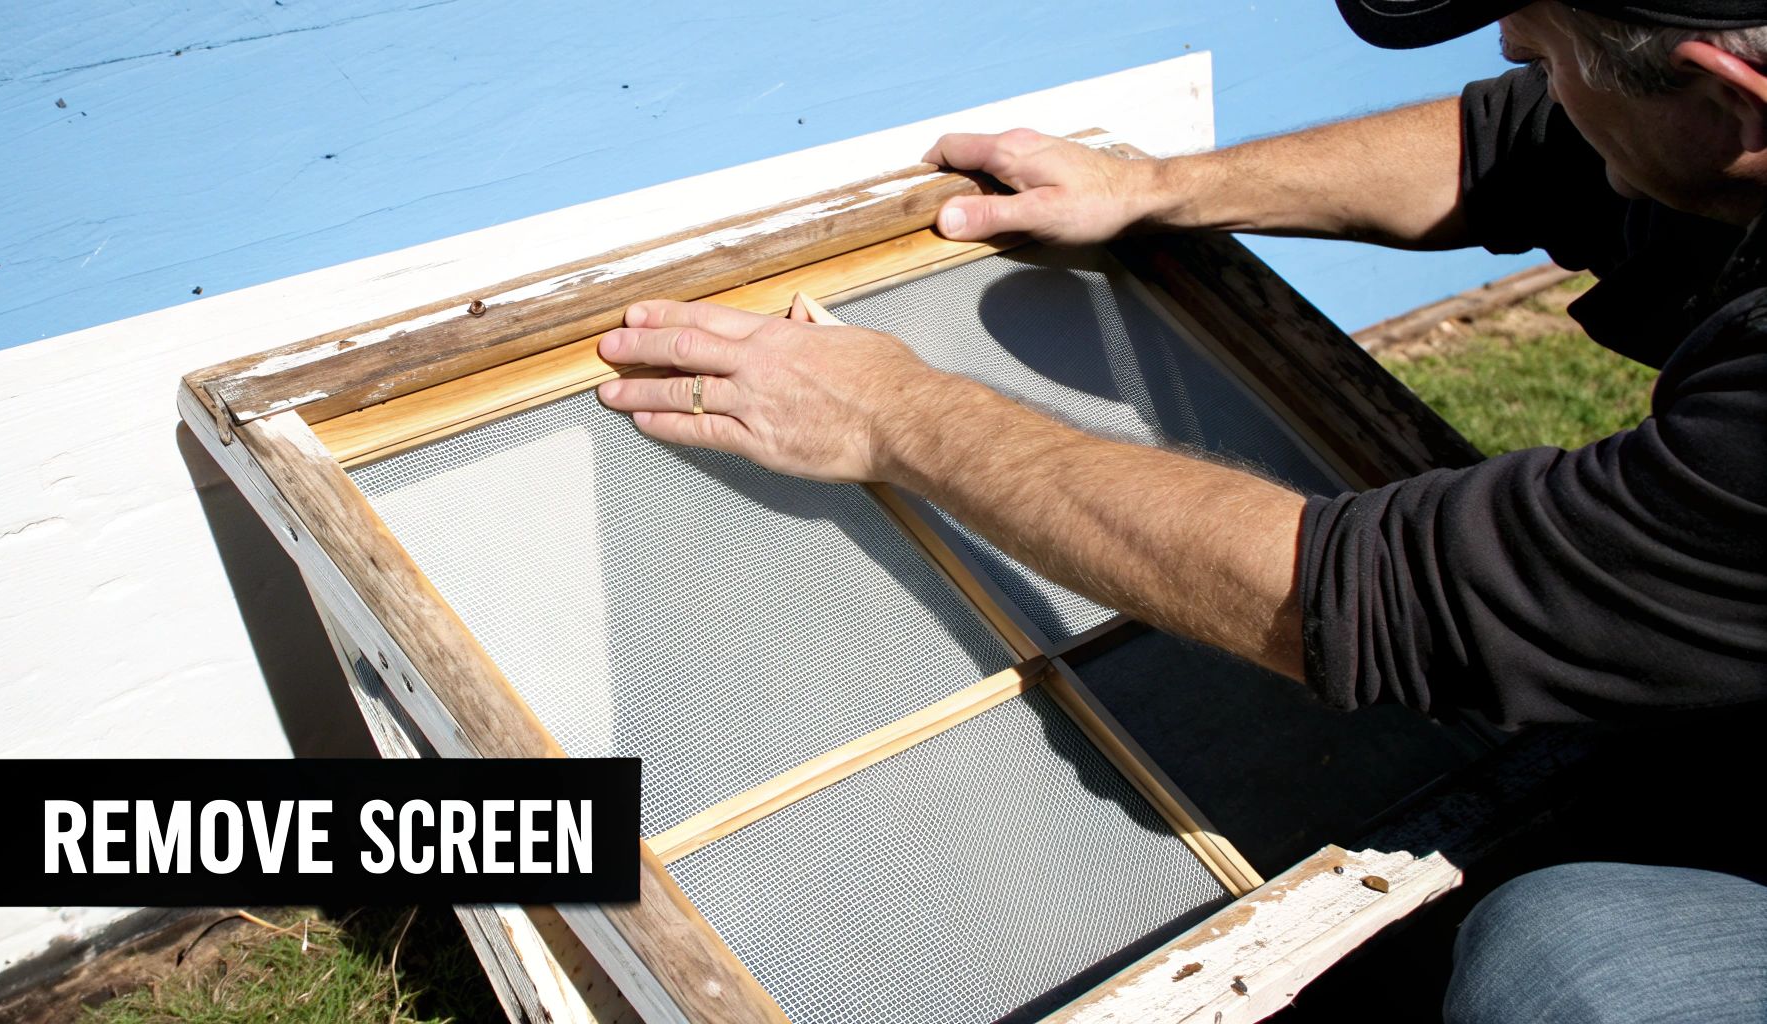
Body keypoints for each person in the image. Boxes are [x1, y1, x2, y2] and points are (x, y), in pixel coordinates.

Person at [595, 0, 1767, 1018]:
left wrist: (897, 415)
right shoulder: (1721, 123)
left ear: (1723, 95)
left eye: (1543, 57)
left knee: (1578, 963)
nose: (1524, 74)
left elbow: (1384, 597)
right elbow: (1518, 151)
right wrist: (1157, 189)